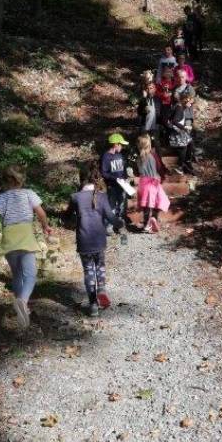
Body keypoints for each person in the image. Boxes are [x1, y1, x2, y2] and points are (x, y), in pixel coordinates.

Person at [0, 165, 52, 329]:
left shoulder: (0, 198)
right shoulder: (29, 194)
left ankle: (22, 311)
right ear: (21, 180)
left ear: (5, 181)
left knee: (17, 274)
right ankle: (23, 301)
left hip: (9, 239)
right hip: (25, 236)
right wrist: (45, 226)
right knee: (31, 274)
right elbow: (41, 213)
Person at [67, 161, 123, 316]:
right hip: (99, 240)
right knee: (100, 266)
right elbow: (111, 217)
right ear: (95, 179)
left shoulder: (75, 197)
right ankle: (102, 290)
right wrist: (120, 223)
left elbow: (66, 217)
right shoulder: (102, 196)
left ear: (81, 179)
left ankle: (92, 305)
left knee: (88, 271)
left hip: (84, 241)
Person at [136, 134, 170, 233]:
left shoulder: (139, 158)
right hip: (154, 182)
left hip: (143, 183)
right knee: (159, 201)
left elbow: (137, 172)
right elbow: (159, 168)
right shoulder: (153, 155)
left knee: (146, 204)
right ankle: (153, 218)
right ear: (149, 144)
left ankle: (147, 223)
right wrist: (162, 177)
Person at [100, 133, 129, 221]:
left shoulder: (119, 155)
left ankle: (119, 224)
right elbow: (104, 173)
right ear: (115, 144)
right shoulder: (106, 157)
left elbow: (123, 169)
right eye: (121, 145)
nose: (122, 147)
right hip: (112, 186)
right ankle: (109, 226)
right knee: (112, 205)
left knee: (122, 204)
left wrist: (125, 177)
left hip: (122, 185)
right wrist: (115, 178)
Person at [168, 93, 195, 175]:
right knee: (184, 148)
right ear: (185, 101)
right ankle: (179, 166)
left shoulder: (180, 107)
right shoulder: (179, 108)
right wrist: (185, 127)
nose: (190, 105)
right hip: (177, 133)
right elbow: (175, 121)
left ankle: (187, 161)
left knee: (190, 143)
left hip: (180, 131)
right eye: (190, 103)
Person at [137, 81, 161, 150]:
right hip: (145, 127)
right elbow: (140, 112)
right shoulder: (143, 100)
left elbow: (160, 112)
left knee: (156, 144)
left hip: (155, 126)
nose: (149, 90)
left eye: (151, 88)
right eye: (147, 88)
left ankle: (158, 160)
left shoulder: (158, 100)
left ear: (155, 89)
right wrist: (144, 98)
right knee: (144, 145)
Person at [155, 66, 175, 135]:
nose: (168, 73)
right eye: (166, 72)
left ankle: (169, 132)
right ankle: (163, 132)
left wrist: (171, 94)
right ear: (163, 73)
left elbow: (176, 92)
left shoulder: (174, 83)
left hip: (172, 104)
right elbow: (156, 92)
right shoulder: (160, 82)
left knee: (169, 119)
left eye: (169, 72)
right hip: (162, 104)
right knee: (162, 119)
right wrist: (163, 95)